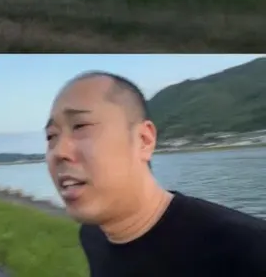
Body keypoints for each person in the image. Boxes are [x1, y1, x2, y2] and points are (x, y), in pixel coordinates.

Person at [44, 70, 266, 276]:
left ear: (144, 140)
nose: (59, 152)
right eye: (51, 136)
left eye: (80, 126)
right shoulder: (92, 235)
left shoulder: (247, 249)